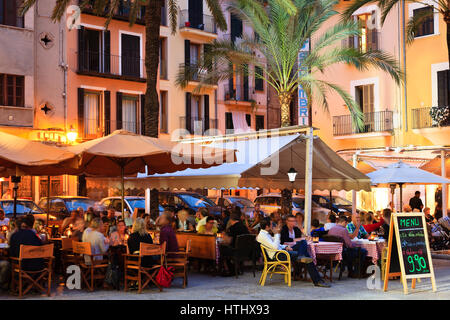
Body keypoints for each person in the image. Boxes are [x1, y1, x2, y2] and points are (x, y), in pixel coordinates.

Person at [256, 218, 330, 287]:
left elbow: (277, 245)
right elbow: (275, 247)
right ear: (267, 226)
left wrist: (285, 247)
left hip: (282, 252)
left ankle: (301, 257)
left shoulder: (265, 234)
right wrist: (277, 234)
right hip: (279, 255)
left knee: (303, 242)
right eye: (272, 224)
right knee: (308, 258)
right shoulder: (263, 236)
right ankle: (317, 281)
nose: (273, 226)